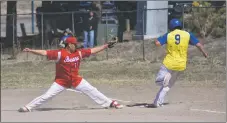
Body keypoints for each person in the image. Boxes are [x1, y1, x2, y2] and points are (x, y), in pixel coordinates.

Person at [18, 37, 123, 112]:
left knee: (92, 90)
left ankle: (110, 103)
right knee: (47, 96)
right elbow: (45, 52)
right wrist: (31, 50)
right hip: (61, 82)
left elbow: (93, 50)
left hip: (76, 80)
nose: (77, 45)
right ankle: (28, 107)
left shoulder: (79, 53)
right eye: (75, 44)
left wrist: (106, 45)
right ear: (69, 45)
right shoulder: (60, 54)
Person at [150, 18, 208, 108]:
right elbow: (198, 44)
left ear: (171, 26)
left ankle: (163, 79)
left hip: (169, 63)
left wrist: (155, 40)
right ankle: (157, 102)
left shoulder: (169, 35)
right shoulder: (187, 34)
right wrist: (204, 53)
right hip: (181, 64)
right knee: (168, 86)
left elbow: (157, 43)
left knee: (159, 81)